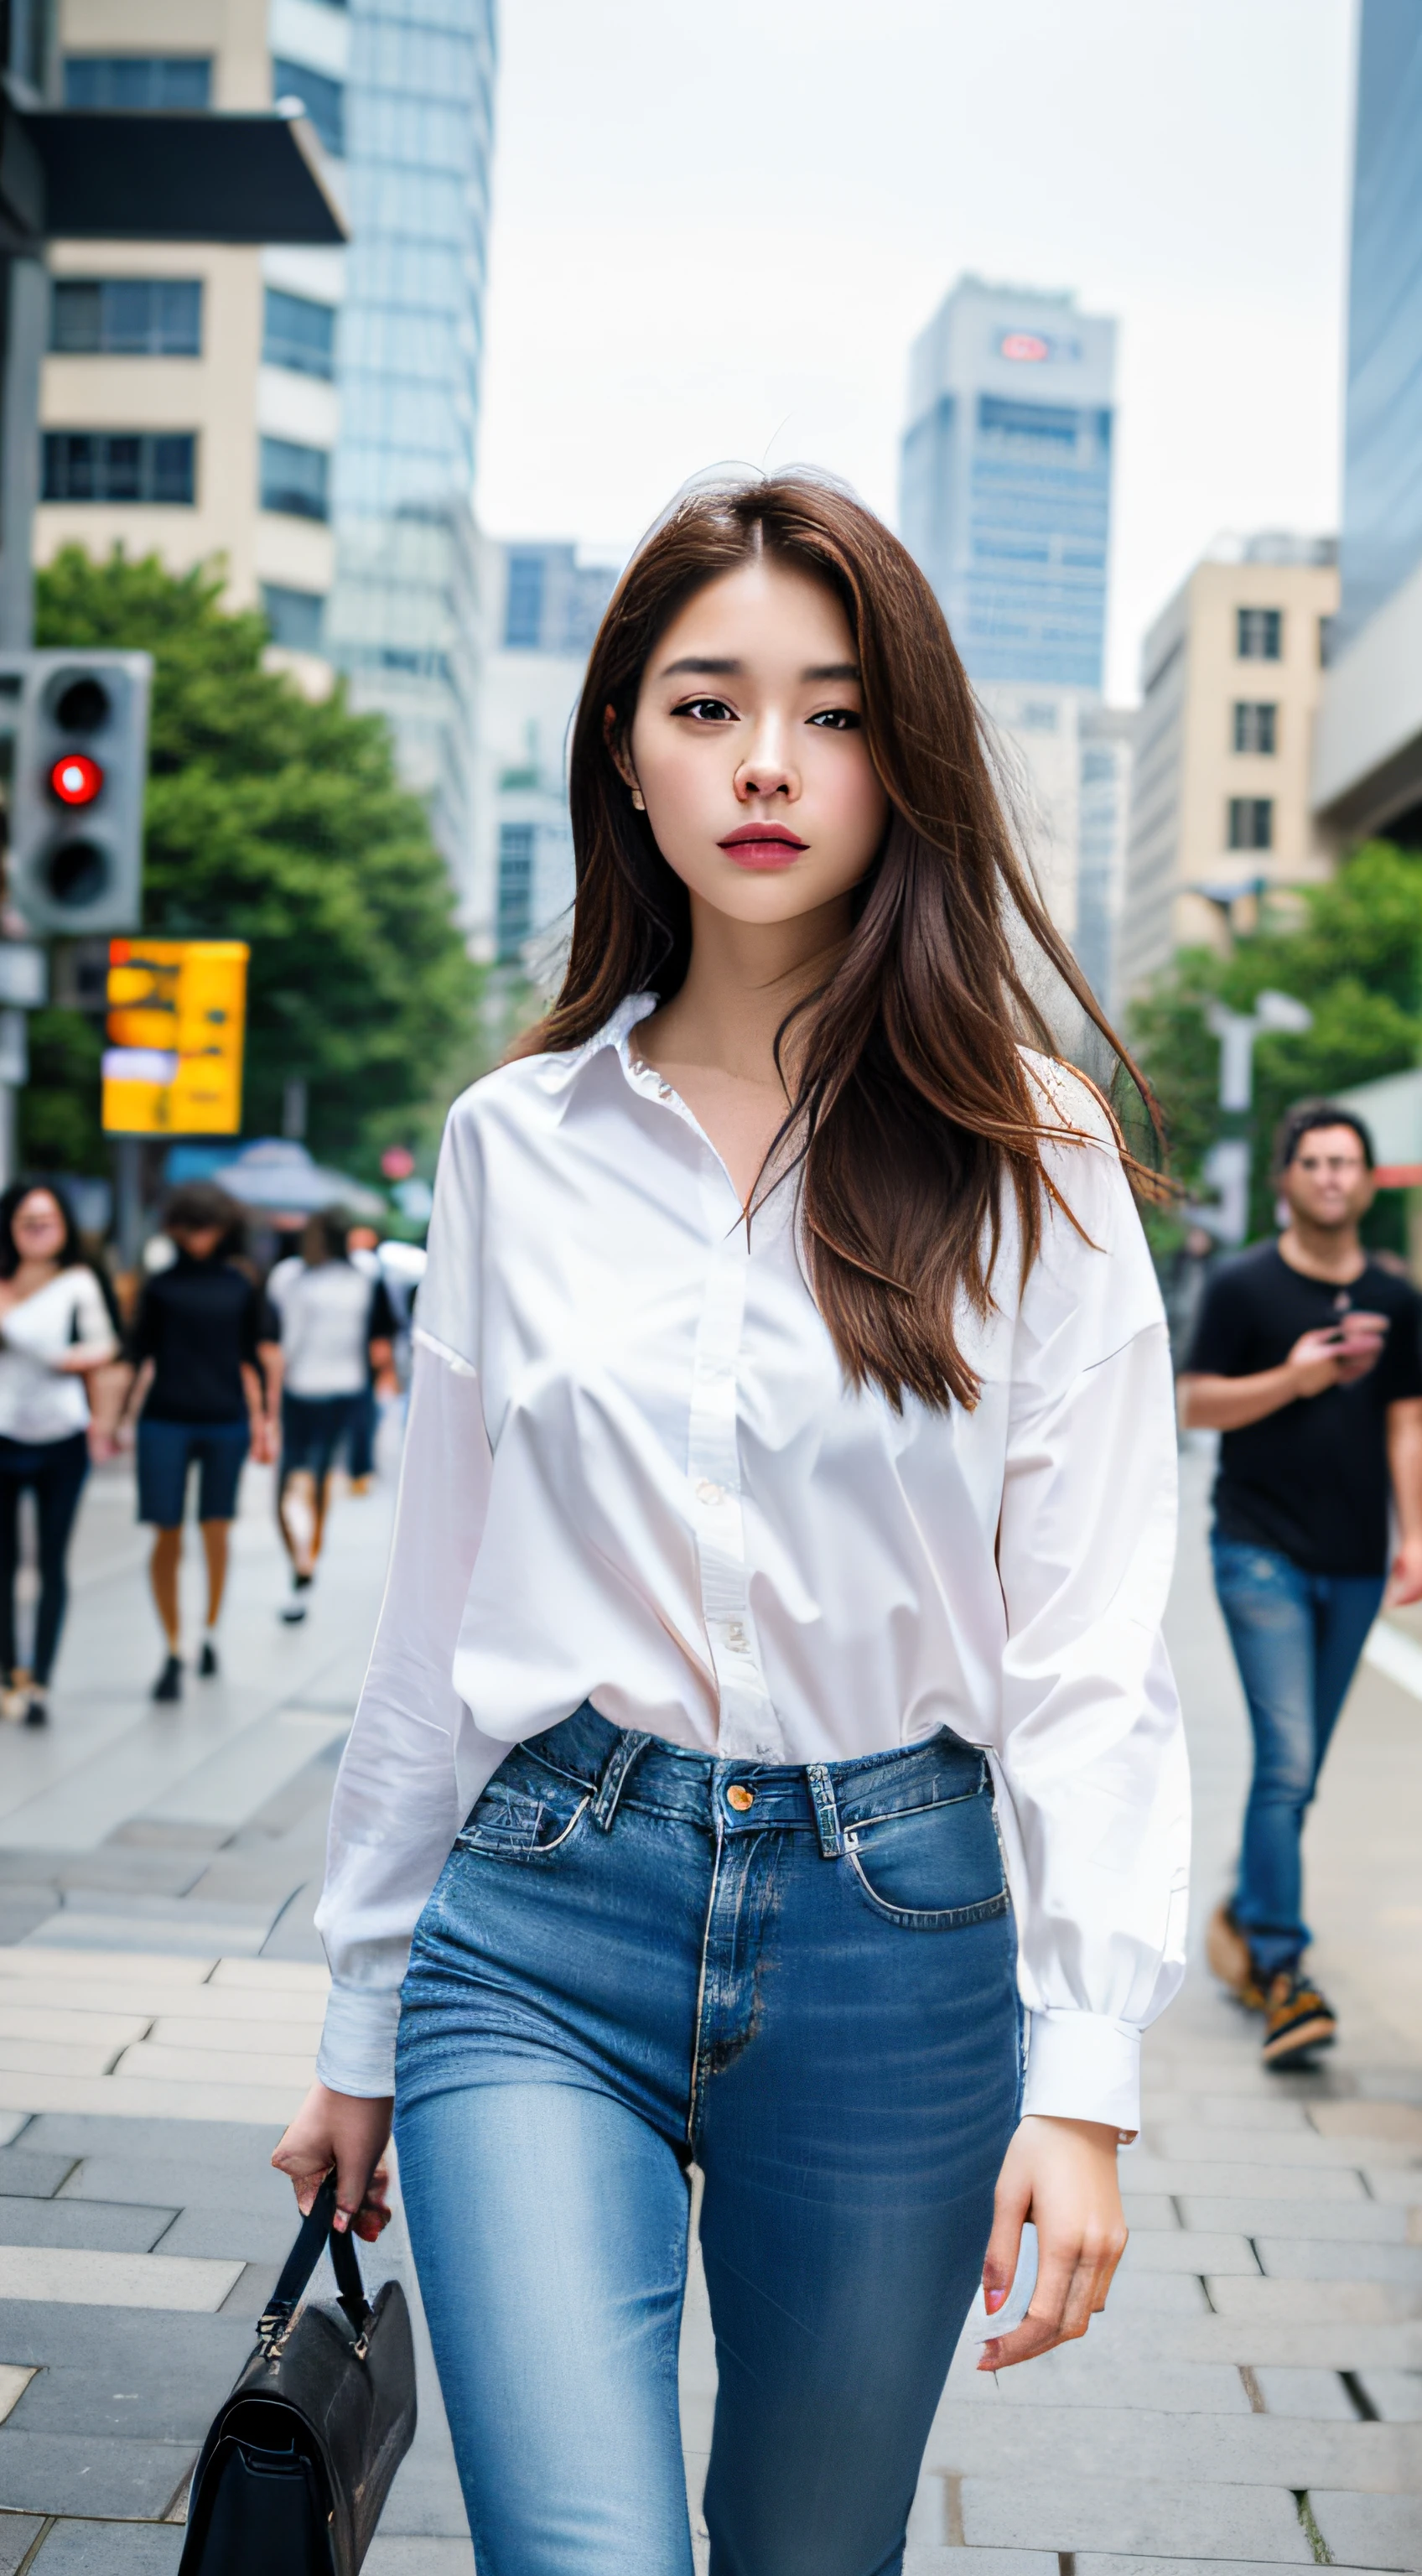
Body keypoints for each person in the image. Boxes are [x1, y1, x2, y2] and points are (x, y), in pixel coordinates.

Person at [273, 474, 1188, 2576]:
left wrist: (1088, 2075)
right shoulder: (514, 1141)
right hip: (540, 1914)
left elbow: (1086, 1653)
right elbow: (432, 1619)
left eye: (833, 710)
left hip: (905, 1930)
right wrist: (354, 2017)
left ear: (908, 756)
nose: (765, 761)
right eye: (706, 704)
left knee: (805, 2547)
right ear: (626, 748)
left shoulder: (1027, 1152)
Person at [1181, 1100, 1422, 2070]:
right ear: (1286, 1179)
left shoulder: (1397, 1300)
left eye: (1346, 1164)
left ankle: (1243, 1914)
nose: (1330, 1178)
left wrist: (1415, 1538)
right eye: (1314, 1162)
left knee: (1303, 1770)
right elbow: (1195, 1403)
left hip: (1356, 1559)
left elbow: (1407, 1422)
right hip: (1257, 1551)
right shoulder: (1244, 1286)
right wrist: (1295, 1378)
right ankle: (1283, 1969)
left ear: (1366, 1183)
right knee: (1284, 1759)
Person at [122, 1184, 280, 1702]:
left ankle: (209, 1630)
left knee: (216, 1529)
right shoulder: (160, 1286)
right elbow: (137, 1354)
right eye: (190, 1226)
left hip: (224, 1420)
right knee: (165, 1531)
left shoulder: (240, 1286)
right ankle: (173, 1645)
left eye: (208, 1226)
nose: (199, 1237)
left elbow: (255, 1359)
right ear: (175, 1227)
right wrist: (117, 1419)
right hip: (164, 1419)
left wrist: (264, 1423)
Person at [0, 1181, 121, 1725]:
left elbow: (106, 1344)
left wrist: (68, 1359)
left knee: (52, 1560)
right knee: (2, 1561)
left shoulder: (77, 1282)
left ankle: (42, 1679)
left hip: (62, 1434)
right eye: (27, 1220)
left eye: (47, 1220)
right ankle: (9, 1673)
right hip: (3, 1431)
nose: (38, 1229)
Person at [267, 1210, 396, 1618]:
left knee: (311, 1477)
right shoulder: (293, 1277)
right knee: (300, 1479)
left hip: (336, 1389)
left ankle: (306, 1561)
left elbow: (378, 1336)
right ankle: (303, 1557)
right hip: (303, 1389)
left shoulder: (359, 1278)